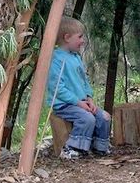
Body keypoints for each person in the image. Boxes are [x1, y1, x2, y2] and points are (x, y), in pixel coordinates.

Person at [46, 17, 111, 159]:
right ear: (67, 37)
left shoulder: (76, 57)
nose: (83, 41)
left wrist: (89, 98)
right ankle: (72, 148)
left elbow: (84, 81)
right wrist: (78, 102)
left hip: (82, 102)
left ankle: (99, 147)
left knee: (104, 117)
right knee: (87, 119)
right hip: (64, 104)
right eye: (80, 37)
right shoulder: (56, 59)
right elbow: (57, 88)